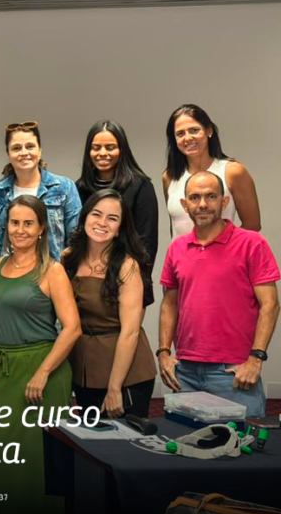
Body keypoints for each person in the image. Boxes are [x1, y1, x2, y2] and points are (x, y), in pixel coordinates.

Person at [0, 195, 81, 514]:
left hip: (40, 371)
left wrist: (43, 372)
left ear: (41, 228)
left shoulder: (52, 271)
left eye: (28, 223)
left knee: (34, 465)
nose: (20, 229)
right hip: (1, 369)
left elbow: (72, 329)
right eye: (15, 222)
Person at [158, 171, 279, 418]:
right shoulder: (176, 248)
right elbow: (169, 304)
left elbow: (270, 304)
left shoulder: (252, 243)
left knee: (243, 441)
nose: (202, 204)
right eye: (195, 197)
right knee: (185, 440)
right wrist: (163, 353)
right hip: (185, 372)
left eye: (211, 196)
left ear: (224, 202)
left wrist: (256, 359)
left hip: (233, 372)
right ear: (185, 205)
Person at [62, 189, 157, 418]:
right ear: (84, 217)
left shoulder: (127, 266)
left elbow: (130, 332)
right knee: (89, 436)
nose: (102, 223)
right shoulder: (69, 258)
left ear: (120, 229)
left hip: (126, 372)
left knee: (125, 438)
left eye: (112, 218)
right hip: (84, 367)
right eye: (96, 214)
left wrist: (115, 387)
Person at [76, 120, 158, 306]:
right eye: (96, 148)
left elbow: (147, 243)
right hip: (87, 282)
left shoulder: (140, 186)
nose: (102, 153)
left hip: (127, 281)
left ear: (122, 150)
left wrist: (131, 279)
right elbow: (78, 236)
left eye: (110, 147)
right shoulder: (79, 188)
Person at [0, 120, 81, 264]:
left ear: (40, 151)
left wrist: (63, 265)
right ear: (8, 154)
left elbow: (76, 236)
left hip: (50, 272)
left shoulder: (64, 187)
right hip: (8, 272)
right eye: (16, 148)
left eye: (30, 146)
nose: (24, 153)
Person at [163, 104, 260, 237]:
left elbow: (253, 225)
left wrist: (225, 248)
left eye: (194, 130)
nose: (188, 138)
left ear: (209, 131)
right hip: (181, 251)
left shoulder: (232, 171)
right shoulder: (169, 176)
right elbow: (175, 227)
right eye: (180, 134)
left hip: (224, 251)